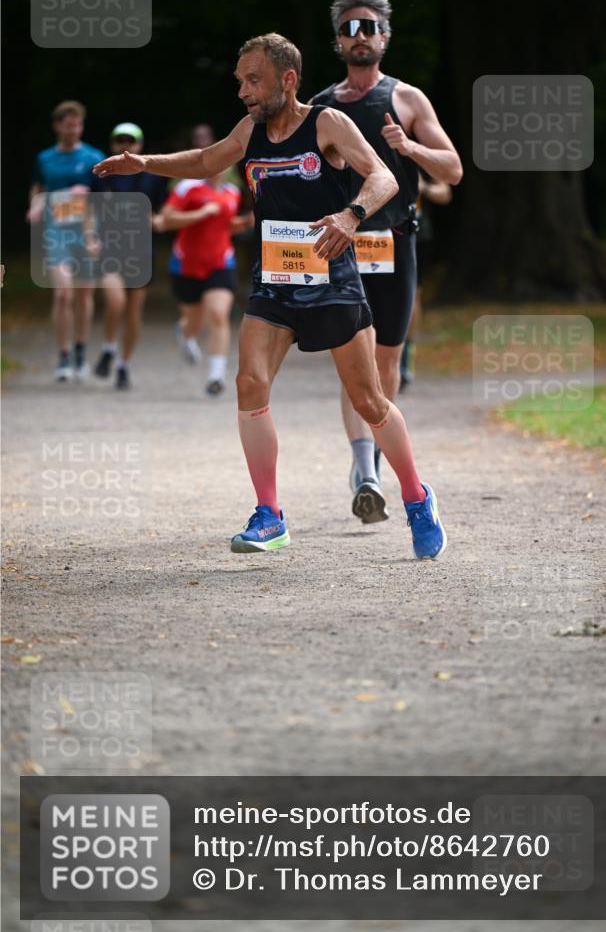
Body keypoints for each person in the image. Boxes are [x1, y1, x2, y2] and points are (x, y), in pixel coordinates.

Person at [93, 33, 446, 559]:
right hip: (274, 282)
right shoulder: (249, 131)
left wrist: (352, 216)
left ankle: (417, 497)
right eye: (239, 81)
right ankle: (269, 514)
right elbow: (206, 160)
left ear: (287, 79)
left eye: (252, 79)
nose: (242, 91)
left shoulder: (327, 122)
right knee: (249, 382)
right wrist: (145, 163)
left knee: (368, 400)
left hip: (332, 279)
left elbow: (382, 177)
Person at [310, 0, 462, 524]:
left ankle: (370, 456)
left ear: (385, 36)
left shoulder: (407, 99)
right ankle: (367, 473)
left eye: (369, 27)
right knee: (353, 361)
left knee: (388, 361)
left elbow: (452, 170)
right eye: (350, 28)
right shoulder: (323, 108)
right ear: (337, 40)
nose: (360, 36)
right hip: (341, 249)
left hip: (396, 244)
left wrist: (410, 148)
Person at [153, 169, 253, 395]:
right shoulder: (188, 186)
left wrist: (245, 222)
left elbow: (225, 225)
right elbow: (167, 219)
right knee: (194, 321)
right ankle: (185, 332)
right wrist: (201, 213)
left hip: (221, 263)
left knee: (218, 314)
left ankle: (215, 376)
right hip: (186, 264)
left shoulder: (232, 192)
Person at [27, 101, 105, 381]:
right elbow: (38, 187)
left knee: (84, 294)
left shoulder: (94, 156)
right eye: (69, 125)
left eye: (78, 125)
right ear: (57, 126)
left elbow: (102, 198)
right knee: (62, 294)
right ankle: (62, 357)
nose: (74, 130)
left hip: (85, 231)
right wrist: (35, 206)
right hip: (56, 231)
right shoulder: (45, 158)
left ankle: (80, 351)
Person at [90, 123, 169, 389]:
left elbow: (165, 208)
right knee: (115, 302)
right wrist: (90, 236)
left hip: (140, 249)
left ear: (140, 145)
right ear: (112, 144)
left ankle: (123, 364)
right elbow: (91, 208)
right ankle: (109, 346)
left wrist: (157, 219)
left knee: (134, 312)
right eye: (120, 140)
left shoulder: (152, 174)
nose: (126, 145)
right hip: (111, 245)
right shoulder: (101, 172)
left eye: (131, 141)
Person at [400, 173, 453, 390]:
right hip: (375, 233)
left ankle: (405, 357)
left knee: (412, 295)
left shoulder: (417, 148)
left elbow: (445, 193)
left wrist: (423, 187)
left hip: (417, 233)